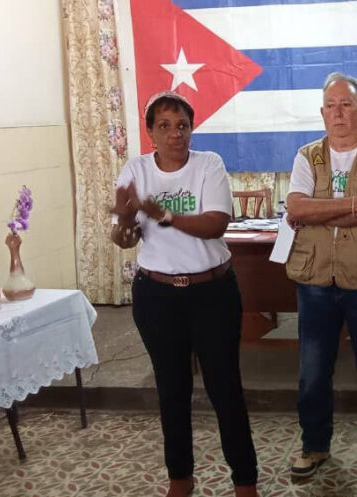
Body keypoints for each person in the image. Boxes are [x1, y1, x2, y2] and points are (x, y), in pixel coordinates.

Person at [110, 91, 259, 497]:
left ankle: (244, 480)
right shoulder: (135, 169)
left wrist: (164, 214)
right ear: (151, 133)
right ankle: (180, 477)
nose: (175, 134)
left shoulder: (208, 164)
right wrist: (126, 221)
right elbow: (124, 239)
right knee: (171, 389)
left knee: (225, 389)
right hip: (157, 297)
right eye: (165, 126)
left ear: (191, 129)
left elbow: (215, 224)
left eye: (182, 126)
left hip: (212, 293)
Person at [284, 73, 357, 481]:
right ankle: (314, 445)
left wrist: (317, 209)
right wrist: (352, 204)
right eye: (331, 106)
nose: (338, 113)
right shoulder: (307, 156)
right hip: (314, 279)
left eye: (346, 105)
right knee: (313, 371)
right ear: (322, 113)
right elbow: (296, 208)